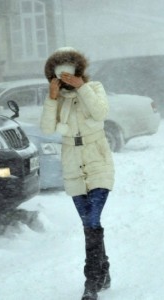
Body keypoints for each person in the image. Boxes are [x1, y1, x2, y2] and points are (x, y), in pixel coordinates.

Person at [40, 47, 115, 300]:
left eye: (70, 71)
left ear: (78, 70)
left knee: (92, 221)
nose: (66, 77)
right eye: (61, 73)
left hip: (98, 160)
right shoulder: (56, 98)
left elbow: (101, 113)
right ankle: (103, 269)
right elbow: (48, 129)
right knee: (89, 224)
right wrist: (52, 99)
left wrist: (81, 87)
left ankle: (91, 282)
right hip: (72, 163)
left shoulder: (94, 88)